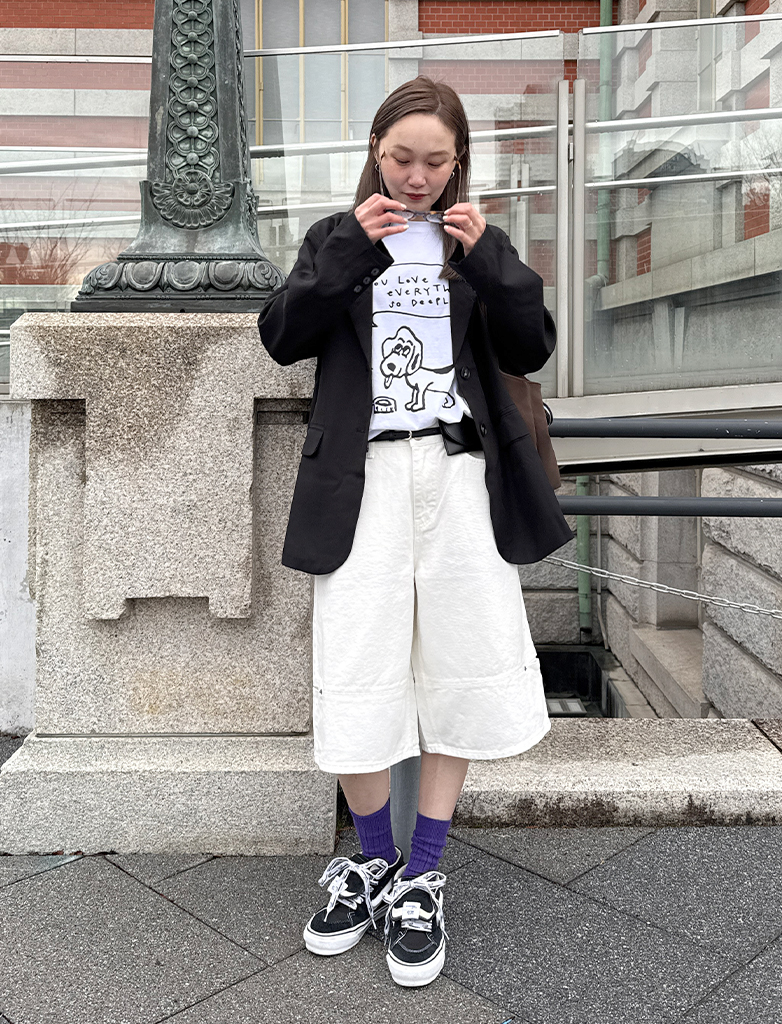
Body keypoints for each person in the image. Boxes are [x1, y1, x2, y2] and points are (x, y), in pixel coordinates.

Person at [257, 75, 572, 989]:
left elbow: (532, 346)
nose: (418, 176)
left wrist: (491, 261)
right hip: (361, 481)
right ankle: (371, 860)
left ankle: (423, 873)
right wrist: (349, 250)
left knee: (462, 660)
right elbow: (282, 336)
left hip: (459, 473)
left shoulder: (476, 245)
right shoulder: (338, 235)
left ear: (459, 161)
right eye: (403, 157)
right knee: (358, 662)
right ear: (376, 151)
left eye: (436, 161)